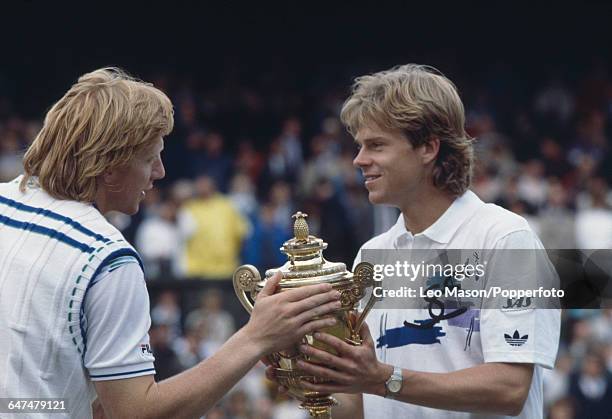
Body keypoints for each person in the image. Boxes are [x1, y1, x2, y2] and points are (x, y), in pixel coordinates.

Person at [0, 68, 341, 418]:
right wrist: (255, 338)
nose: (160, 172)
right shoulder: (106, 258)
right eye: (149, 158)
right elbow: (137, 414)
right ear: (109, 164)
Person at [269, 64, 561, 418]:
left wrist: (381, 380)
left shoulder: (505, 240)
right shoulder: (371, 256)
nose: (359, 160)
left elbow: (510, 388)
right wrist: (311, 379)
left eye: (376, 145)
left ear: (428, 147)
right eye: (360, 145)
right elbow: (367, 403)